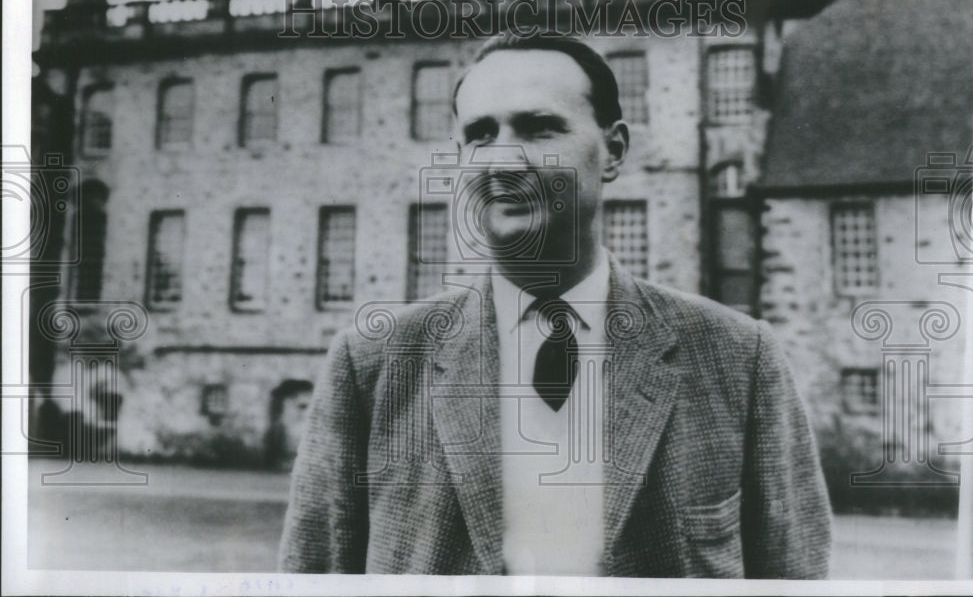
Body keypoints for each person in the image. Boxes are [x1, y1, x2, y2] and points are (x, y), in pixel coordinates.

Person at [279, 33, 832, 577]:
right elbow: (315, 579)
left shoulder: (738, 358)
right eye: (479, 135)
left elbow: (794, 579)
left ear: (612, 151)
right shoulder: (372, 365)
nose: (502, 161)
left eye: (540, 128)